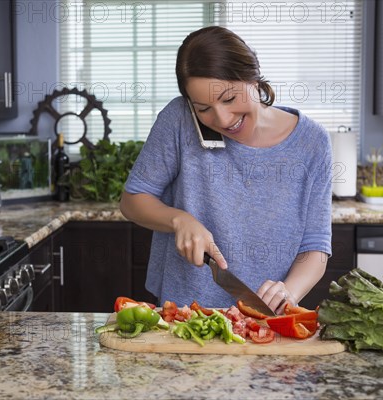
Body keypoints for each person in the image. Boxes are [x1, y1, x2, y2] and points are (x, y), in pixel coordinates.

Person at [120, 26, 332, 314]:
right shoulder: (179, 120)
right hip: (185, 313)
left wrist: (289, 292)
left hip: (266, 317)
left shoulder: (313, 143)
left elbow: (315, 247)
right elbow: (133, 201)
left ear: (253, 77)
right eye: (203, 108)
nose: (222, 119)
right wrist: (178, 219)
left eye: (229, 99)